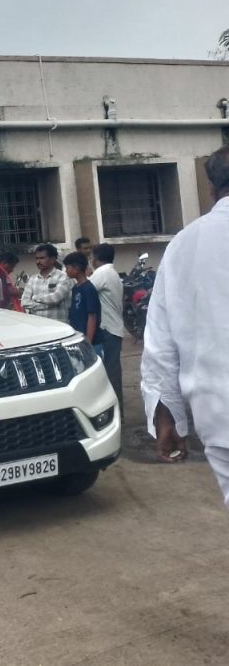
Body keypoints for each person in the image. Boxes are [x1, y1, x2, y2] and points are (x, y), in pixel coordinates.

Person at [141, 146, 229, 503]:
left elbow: (160, 343)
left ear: (212, 189)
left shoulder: (183, 245)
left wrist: (168, 418)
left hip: (220, 419)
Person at [91, 243, 125, 413]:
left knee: (109, 372)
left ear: (96, 258)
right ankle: (118, 410)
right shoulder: (112, 272)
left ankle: (115, 411)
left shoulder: (102, 273)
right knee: (113, 370)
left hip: (108, 329)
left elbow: (86, 289)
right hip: (114, 327)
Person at [21, 243, 74, 321]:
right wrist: (48, 306)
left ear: (53, 259)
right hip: (38, 324)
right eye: (36, 258)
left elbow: (55, 298)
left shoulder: (63, 277)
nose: (38, 261)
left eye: (42, 258)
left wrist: (34, 298)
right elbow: (24, 302)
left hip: (58, 325)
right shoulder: (32, 279)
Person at [63, 252, 101, 351]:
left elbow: (92, 316)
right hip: (78, 338)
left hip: (90, 341)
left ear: (76, 268)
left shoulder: (88, 289)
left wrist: (88, 341)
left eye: (67, 268)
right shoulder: (75, 288)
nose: (66, 271)